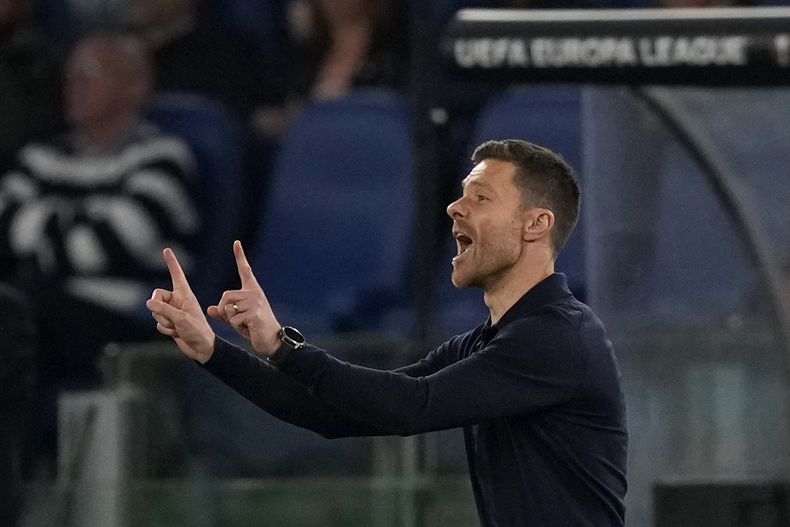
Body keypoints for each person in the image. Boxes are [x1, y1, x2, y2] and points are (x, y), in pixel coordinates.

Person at [146, 139, 628, 526]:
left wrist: (282, 345)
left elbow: (408, 407)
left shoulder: (557, 337)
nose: (455, 208)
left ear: (536, 225)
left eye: (481, 197)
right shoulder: (490, 340)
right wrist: (213, 351)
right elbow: (332, 413)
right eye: (461, 194)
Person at [0, 31, 199, 468]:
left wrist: (44, 230)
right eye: (70, 76)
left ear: (134, 86)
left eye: (88, 75)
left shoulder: (162, 156)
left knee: (15, 312)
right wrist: (72, 231)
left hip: (127, 315)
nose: (73, 86)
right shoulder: (39, 157)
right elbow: (7, 228)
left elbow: (105, 246)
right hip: (45, 307)